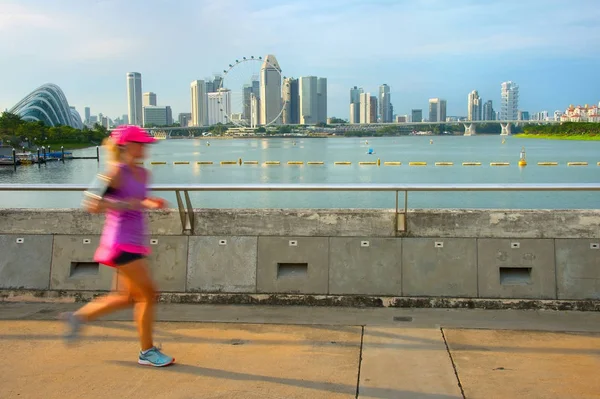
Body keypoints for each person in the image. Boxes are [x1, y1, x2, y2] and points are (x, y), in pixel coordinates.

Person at [60, 125, 175, 367]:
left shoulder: (143, 174)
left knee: (126, 297)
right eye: (141, 143)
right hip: (120, 243)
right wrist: (126, 204)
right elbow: (92, 204)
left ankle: (79, 317)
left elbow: (137, 199)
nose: (146, 147)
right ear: (127, 146)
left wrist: (149, 201)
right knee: (147, 296)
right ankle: (147, 352)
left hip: (136, 242)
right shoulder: (114, 173)